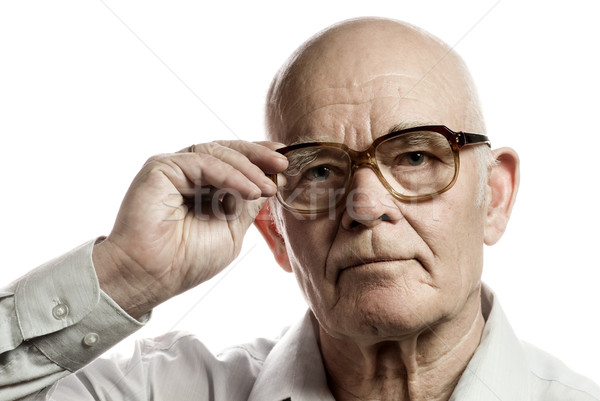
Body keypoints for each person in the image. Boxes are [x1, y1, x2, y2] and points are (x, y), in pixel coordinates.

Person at [1, 17, 598, 401]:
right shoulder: (166, 392)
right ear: (276, 230)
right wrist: (125, 275)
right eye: (318, 171)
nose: (365, 206)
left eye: (415, 156)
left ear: (493, 196)